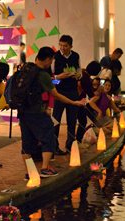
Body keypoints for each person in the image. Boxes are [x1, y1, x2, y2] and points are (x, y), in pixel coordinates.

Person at [18, 46, 85, 177]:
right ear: (48, 59)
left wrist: (57, 78)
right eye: (51, 60)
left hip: (22, 111)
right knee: (49, 136)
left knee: (27, 144)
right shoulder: (42, 74)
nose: (51, 63)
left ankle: (30, 172)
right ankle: (44, 169)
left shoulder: (25, 69)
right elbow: (55, 93)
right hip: (36, 111)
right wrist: (74, 102)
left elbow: (50, 82)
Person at [52, 35, 81, 153]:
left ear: (71, 46)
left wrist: (78, 75)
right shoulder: (55, 57)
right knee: (56, 120)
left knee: (72, 120)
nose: (62, 48)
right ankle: (54, 146)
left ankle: (70, 145)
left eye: (65, 46)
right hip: (59, 92)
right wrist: (59, 78)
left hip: (73, 92)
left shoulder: (76, 56)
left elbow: (80, 73)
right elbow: (51, 80)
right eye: (61, 45)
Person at [76, 61, 102, 142]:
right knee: (82, 121)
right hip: (78, 102)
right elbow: (90, 93)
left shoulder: (82, 73)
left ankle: (77, 140)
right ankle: (78, 140)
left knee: (80, 121)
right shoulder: (86, 78)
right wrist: (98, 91)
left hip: (77, 100)